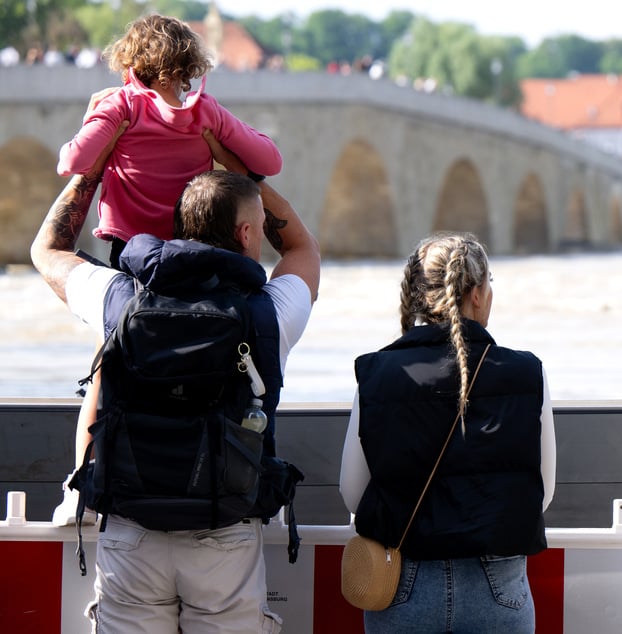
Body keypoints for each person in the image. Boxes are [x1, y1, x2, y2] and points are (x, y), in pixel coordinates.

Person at [31, 125, 320, 633]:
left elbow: (48, 250)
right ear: (247, 234)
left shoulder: (119, 299)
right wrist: (240, 169)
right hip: (224, 531)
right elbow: (301, 249)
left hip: (131, 529)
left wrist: (94, 169)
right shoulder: (269, 314)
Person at [339, 232, 556, 633]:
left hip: (403, 585)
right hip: (498, 590)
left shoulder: (377, 373)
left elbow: (353, 492)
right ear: (476, 294)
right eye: (490, 283)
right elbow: (542, 492)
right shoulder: (527, 372)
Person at [57, 13, 283, 269]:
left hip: (131, 251)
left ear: (130, 62)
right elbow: (271, 162)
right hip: (189, 249)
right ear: (188, 64)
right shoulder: (204, 111)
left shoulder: (121, 106)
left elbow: (70, 162)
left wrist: (91, 119)